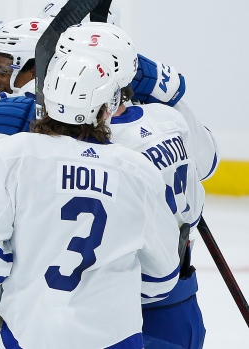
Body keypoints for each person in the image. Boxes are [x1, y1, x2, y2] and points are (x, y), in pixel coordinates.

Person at [0, 52, 181, 348]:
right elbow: (162, 277)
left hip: (29, 334)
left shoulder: (13, 154)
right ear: (106, 105)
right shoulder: (138, 170)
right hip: (115, 337)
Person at [53, 22, 216, 348]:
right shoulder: (167, 118)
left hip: (121, 314)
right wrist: (169, 96)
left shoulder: (99, 147)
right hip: (181, 303)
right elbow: (209, 163)